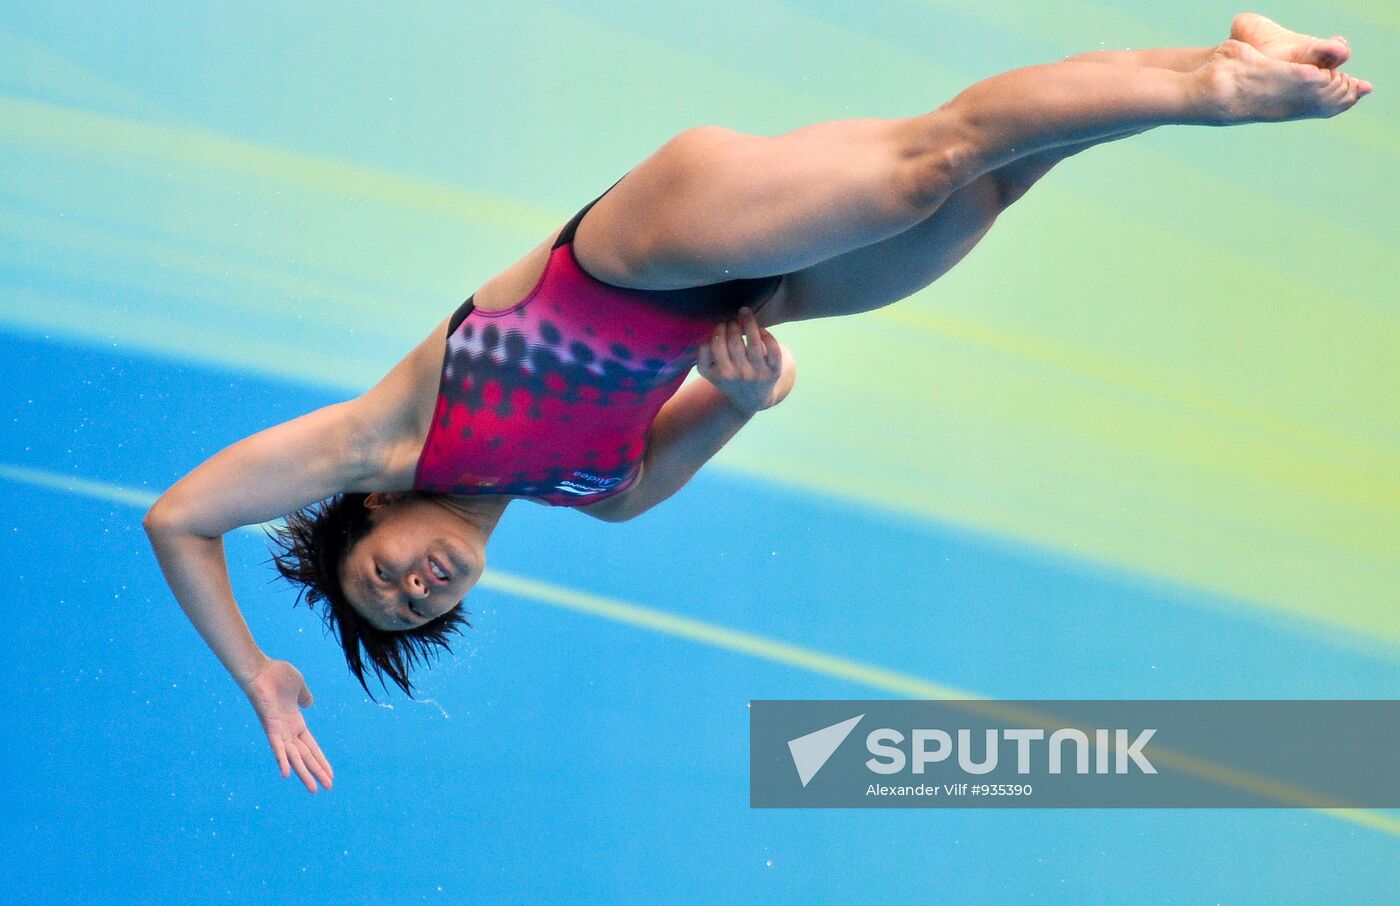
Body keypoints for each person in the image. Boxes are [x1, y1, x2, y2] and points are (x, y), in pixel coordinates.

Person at [143, 13, 1370, 793]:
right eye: (419, 605)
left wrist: (257, 672)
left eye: (382, 577)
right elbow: (747, 393)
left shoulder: (389, 438)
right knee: (986, 190)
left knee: (928, 161)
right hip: (754, 289)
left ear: (369, 515)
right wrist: (751, 391)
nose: (415, 585)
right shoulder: (605, 493)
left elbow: (180, 518)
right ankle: (1222, 51)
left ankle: (1219, 87)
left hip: (645, 244)